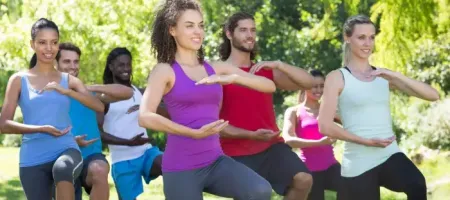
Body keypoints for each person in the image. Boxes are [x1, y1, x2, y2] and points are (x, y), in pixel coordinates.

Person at [139, 1, 278, 199]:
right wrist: (192, 133)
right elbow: (145, 116)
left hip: (215, 161)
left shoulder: (215, 68)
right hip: (181, 167)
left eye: (201, 25)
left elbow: (269, 86)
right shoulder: (164, 70)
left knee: (260, 190)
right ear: (172, 30)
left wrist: (234, 78)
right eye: (189, 25)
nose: (198, 32)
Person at [318, 14, 440, 200]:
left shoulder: (382, 76)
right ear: (347, 38)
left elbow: (433, 95)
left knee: (416, 183)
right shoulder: (337, 77)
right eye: (361, 37)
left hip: (389, 154)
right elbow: (324, 125)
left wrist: (395, 75)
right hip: (359, 161)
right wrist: (365, 141)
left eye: (372, 37)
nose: (368, 43)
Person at [0, 18, 104, 200]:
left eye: (54, 42)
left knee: (63, 168)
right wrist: (41, 129)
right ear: (32, 44)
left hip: (66, 148)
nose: (49, 48)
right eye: (42, 42)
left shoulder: (68, 80)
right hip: (32, 157)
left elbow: (98, 106)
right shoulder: (18, 80)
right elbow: (4, 124)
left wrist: (67, 91)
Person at [218, 12, 315, 200]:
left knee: (304, 179)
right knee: (259, 194)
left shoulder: (264, 71)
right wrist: (250, 135)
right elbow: (215, 124)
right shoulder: (219, 74)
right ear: (229, 34)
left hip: (271, 147)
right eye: (243, 30)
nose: (250, 35)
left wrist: (280, 65)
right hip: (236, 152)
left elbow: (309, 83)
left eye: (253, 30)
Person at [55, 42, 134, 200]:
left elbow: (127, 93)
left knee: (99, 170)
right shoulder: (49, 93)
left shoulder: (88, 93)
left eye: (76, 61)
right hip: (60, 159)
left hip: (91, 156)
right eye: (67, 61)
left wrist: (88, 88)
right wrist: (70, 141)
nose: (72, 66)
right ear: (55, 64)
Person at [97, 47, 165, 200]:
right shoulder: (104, 97)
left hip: (147, 152)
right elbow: (98, 132)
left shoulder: (139, 92)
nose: (126, 69)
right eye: (121, 65)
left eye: (128, 64)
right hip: (123, 161)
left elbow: (165, 104)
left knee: (169, 165)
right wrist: (128, 142)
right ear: (111, 67)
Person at [282, 69, 342, 200]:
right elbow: (288, 140)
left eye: (322, 86)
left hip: (331, 166)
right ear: (304, 86)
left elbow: (351, 125)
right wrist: (320, 143)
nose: (318, 90)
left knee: (352, 187)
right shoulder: (294, 111)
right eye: (314, 86)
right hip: (310, 170)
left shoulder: (328, 109)